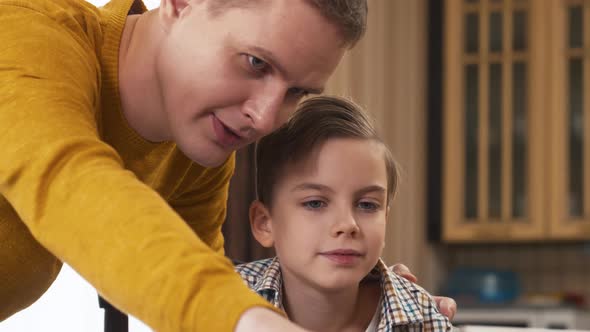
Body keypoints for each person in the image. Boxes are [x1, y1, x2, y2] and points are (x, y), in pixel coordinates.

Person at [0, 0, 454, 330]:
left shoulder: (196, 156)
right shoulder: (24, 35)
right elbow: (71, 184)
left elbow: (196, 295)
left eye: (297, 93)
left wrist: (369, 308)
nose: (265, 117)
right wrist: (253, 322)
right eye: (255, 63)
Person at [236, 96, 452, 332]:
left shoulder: (423, 316)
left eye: (368, 205)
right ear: (265, 223)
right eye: (315, 203)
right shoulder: (225, 297)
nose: (347, 224)